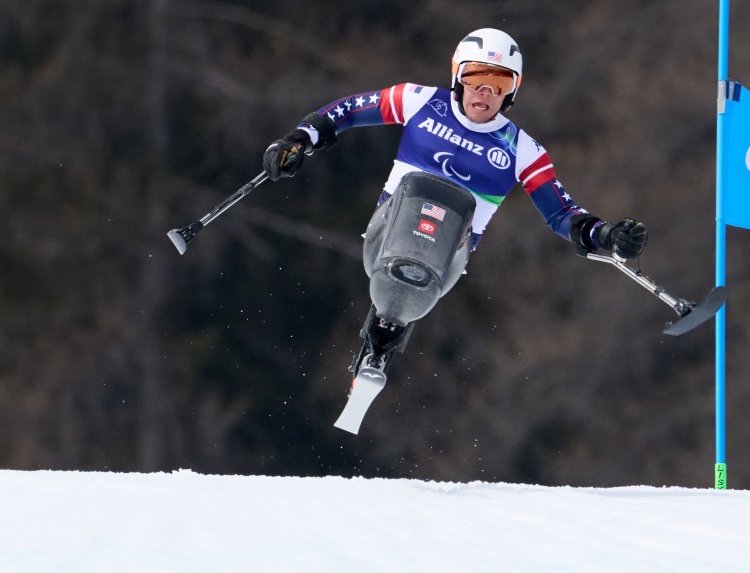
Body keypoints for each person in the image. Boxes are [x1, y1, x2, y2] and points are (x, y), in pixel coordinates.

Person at [262, 28, 648, 379]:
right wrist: (298, 140)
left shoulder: (524, 152)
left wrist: (608, 235)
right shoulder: (418, 101)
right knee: (419, 198)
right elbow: (345, 111)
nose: (484, 92)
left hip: (446, 259)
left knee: (446, 219)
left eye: (498, 84)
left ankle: (385, 338)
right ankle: (383, 329)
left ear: (512, 91)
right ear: (457, 77)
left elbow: (563, 214)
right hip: (386, 235)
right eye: (476, 78)